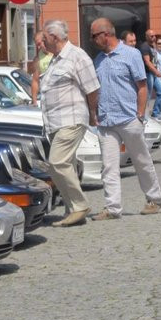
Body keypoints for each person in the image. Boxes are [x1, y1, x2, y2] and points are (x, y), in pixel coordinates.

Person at [89, 17, 161, 220]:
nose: (92, 40)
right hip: (106, 121)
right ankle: (112, 208)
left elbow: (142, 86)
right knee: (109, 165)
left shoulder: (131, 54)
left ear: (106, 35)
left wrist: (140, 114)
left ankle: (154, 199)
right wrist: (93, 113)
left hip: (129, 117)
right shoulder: (98, 60)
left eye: (94, 36)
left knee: (141, 160)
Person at [38, 20, 100, 227]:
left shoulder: (77, 56)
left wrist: (92, 114)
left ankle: (80, 205)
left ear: (55, 37)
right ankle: (72, 209)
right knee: (65, 164)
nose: (43, 42)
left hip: (71, 119)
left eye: (45, 38)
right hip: (55, 122)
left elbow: (92, 89)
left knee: (56, 162)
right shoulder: (55, 59)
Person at [139, 29, 161, 117]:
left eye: (154, 36)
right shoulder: (145, 47)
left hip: (154, 74)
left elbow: (155, 60)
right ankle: (143, 115)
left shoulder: (153, 46)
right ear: (146, 37)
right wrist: (156, 72)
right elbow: (147, 61)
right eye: (151, 36)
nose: (154, 37)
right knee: (148, 95)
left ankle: (155, 113)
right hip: (148, 74)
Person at [29, 30, 54, 103]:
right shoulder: (38, 59)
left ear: (45, 40)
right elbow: (35, 81)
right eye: (37, 45)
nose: (39, 47)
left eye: (39, 44)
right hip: (47, 97)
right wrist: (34, 101)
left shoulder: (58, 52)